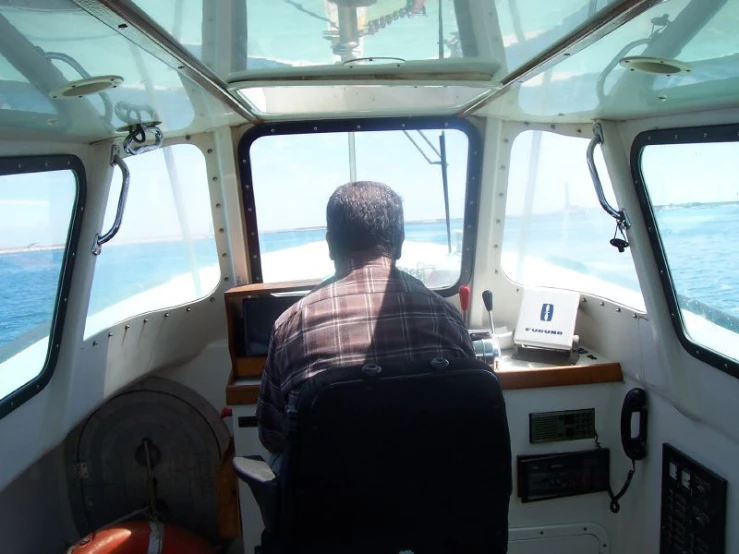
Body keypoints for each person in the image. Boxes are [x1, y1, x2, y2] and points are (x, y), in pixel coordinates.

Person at [256, 181, 475, 459]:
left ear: (330, 245)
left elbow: (271, 435)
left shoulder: (292, 325)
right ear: (400, 243)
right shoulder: (445, 315)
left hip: (329, 499)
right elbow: (471, 410)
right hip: (433, 494)